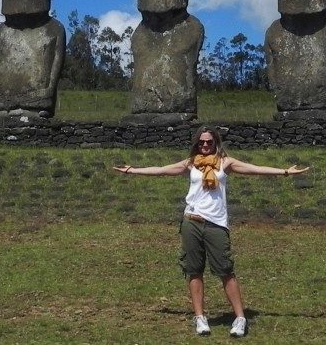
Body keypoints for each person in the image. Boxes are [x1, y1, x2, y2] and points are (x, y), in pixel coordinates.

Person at [115, 126, 309, 337]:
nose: (205, 145)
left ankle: (240, 318)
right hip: (191, 222)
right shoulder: (191, 163)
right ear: (197, 144)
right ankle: (200, 317)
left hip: (216, 224)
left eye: (209, 142)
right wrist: (132, 170)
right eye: (201, 142)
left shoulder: (226, 163)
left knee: (225, 270)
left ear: (216, 142)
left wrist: (285, 172)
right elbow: (162, 169)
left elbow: (254, 168)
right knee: (194, 270)